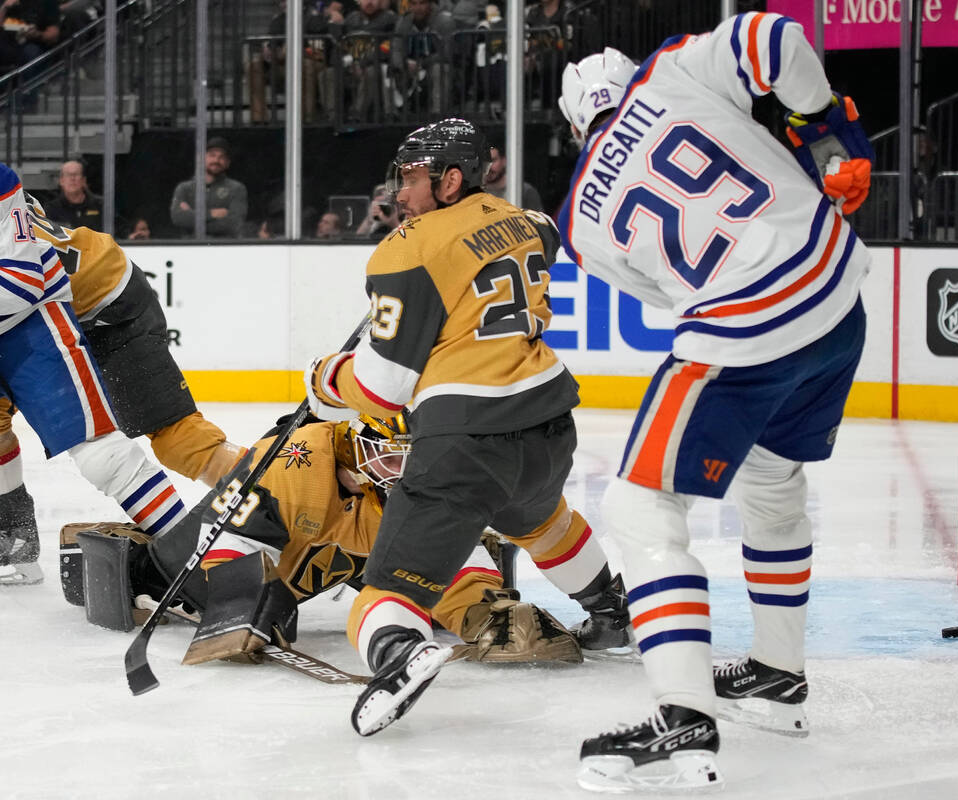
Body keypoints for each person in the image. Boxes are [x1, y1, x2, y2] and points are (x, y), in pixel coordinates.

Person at [555, 14, 872, 790]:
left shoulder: (577, 224)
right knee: (771, 481)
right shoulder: (670, 71)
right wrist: (816, 120)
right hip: (837, 295)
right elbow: (777, 41)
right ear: (627, 79)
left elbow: (667, 294)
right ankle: (776, 675)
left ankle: (683, 718)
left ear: (574, 127)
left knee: (639, 508)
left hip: (745, 333)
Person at [304, 118, 630, 737]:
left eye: (414, 177)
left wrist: (325, 379)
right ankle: (609, 612)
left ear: (451, 179)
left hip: (464, 440)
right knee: (540, 519)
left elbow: (383, 388)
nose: (401, 191)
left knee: (383, 594)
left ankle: (399, 651)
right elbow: (487, 276)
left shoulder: (406, 249)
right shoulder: (533, 224)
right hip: (548, 424)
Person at [61, 414, 589, 667]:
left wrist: (485, 612)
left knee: (428, 561)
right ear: (356, 444)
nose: (405, 471)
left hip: (339, 558)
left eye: (414, 455)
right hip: (252, 554)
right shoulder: (297, 461)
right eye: (391, 456)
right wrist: (240, 606)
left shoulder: (418, 488)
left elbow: (451, 556)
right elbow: (230, 541)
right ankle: (136, 556)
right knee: (182, 579)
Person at [0, 163, 193, 586]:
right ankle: (13, 540)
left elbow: (22, 281)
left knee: (104, 451)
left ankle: (197, 561)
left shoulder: (0, 183)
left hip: (34, 319)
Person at [169, 137, 249, 239]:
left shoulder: (237, 189)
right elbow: (178, 218)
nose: (216, 160)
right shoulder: (184, 188)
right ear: (201, 159)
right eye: (212, 155)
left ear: (228, 163)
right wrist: (212, 213)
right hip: (190, 249)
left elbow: (234, 224)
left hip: (223, 249)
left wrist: (192, 216)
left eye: (222, 157)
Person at [390, 0, 455, 115]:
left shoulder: (444, 21)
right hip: (409, 67)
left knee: (439, 69)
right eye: (414, 4)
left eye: (422, 3)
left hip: (432, 66)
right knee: (389, 69)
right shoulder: (404, 21)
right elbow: (396, 48)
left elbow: (447, 53)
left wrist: (422, 64)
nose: (418, 8)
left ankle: (438, 115)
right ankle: (393, 114)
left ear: (430, 3)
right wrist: (403, 64)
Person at [483, 133, 543, 211]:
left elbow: (537, 221)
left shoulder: (524, 191)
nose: (488, 167)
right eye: (484, 161)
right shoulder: (473, 192)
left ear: (504, 161)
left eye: (493, 160)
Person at [0, 0, 61, 73]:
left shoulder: (47, 2)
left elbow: (54, 36)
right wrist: (4, 8)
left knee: (30, 51)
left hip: (33, 45)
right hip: (8, 43)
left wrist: (38, 34)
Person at [43, 160, 103, 230]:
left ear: (83, 180)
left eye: (76, 174)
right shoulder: (51, 209)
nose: (72, 178)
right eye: (68, 175)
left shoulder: (100, 205)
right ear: (61, 181)